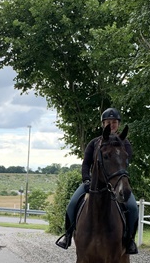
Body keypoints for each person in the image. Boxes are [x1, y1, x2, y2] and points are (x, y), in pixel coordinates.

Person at [55, 108, 139, 254]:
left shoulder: (124, 143)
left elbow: (123, 163)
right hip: (94, 184)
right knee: (72, 204)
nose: (111, 125)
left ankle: (130, 240)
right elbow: (86, 163)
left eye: (114, 122)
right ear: (103, 124)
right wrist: (86, 179)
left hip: (116, 184)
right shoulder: (94, 143)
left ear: (118, 124)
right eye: (108, 122)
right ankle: (68, 236)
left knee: (132, 207)